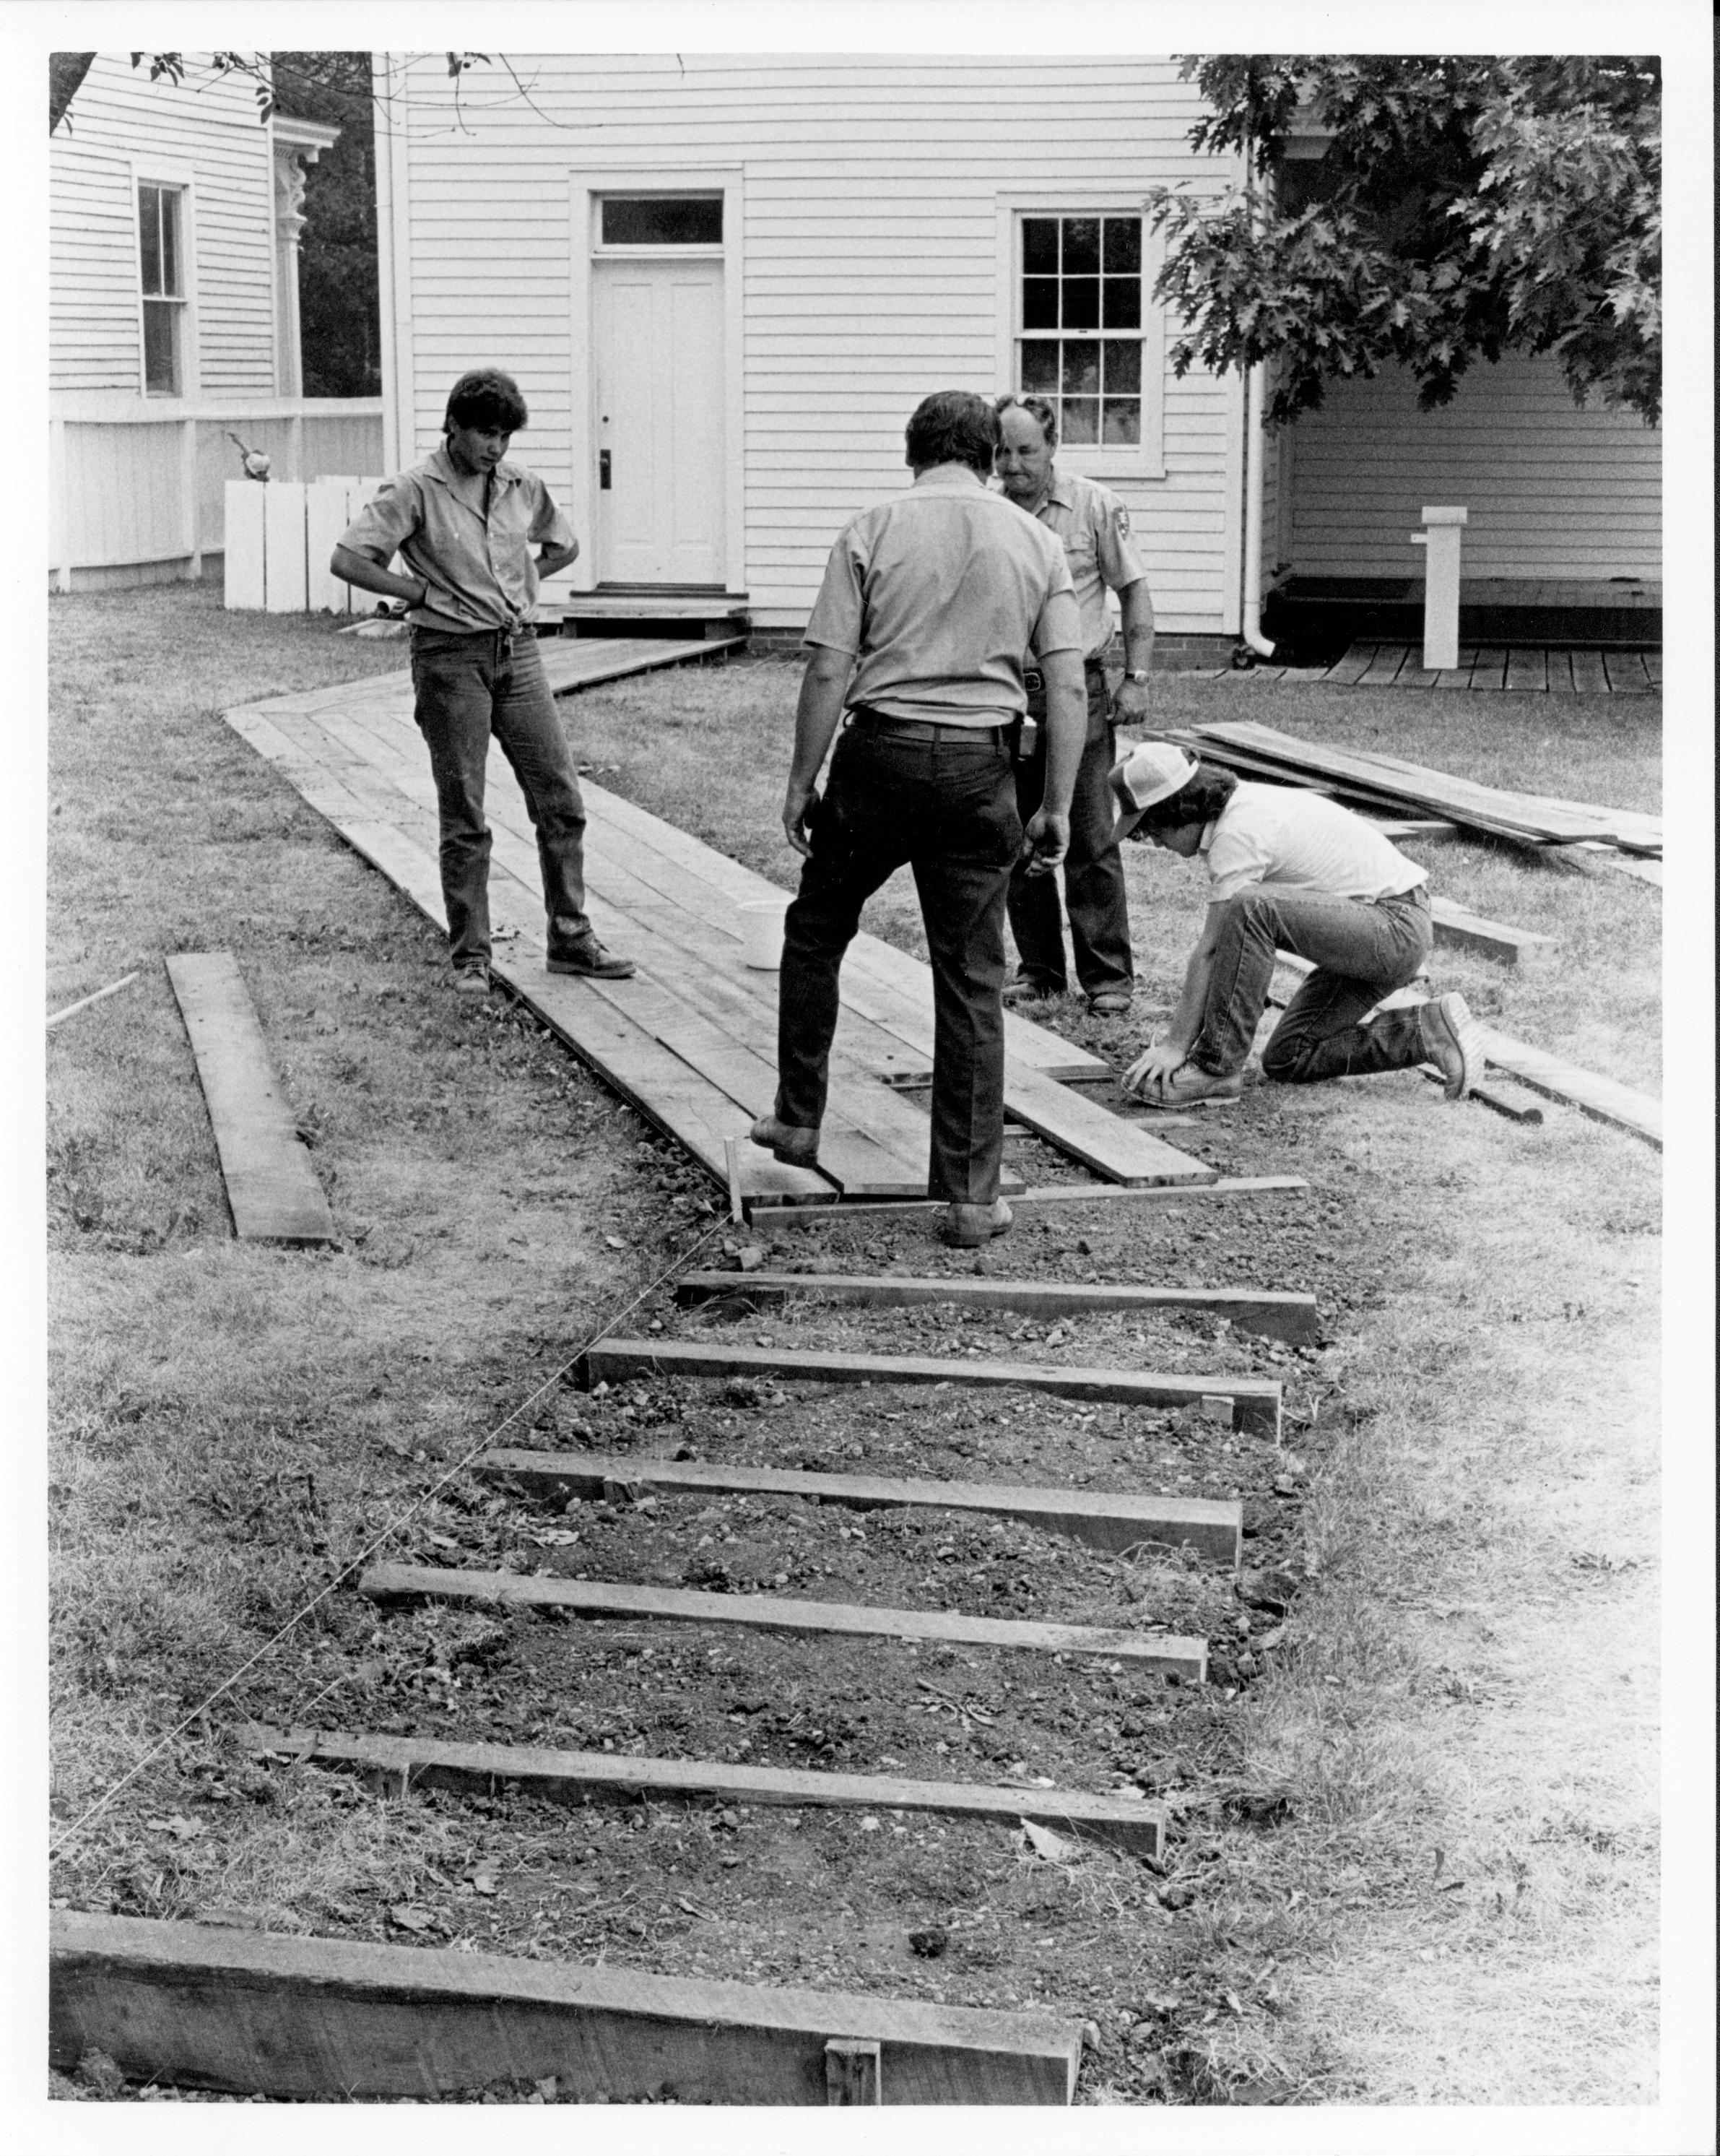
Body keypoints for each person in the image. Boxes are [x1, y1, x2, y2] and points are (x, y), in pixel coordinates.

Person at [753, 390, 1086, 1248]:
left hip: (879, 759)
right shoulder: (1038, 539)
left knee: (818, 927)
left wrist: (802, 779)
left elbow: (830, 669)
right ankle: (972, 1196)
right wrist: (1054, 802)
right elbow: (1071, 684)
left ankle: (796, 1118)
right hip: (982, 767)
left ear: (914, 451)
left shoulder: (870, 527)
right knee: (972, 977)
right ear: (987, 455)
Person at [330, 368, 633, 994]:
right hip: (449, 659)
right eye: (485, 434)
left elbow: (563, 546)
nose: (496, 447)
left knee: (561, 800)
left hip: (517, 654)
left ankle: (571, 938)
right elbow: (348, 558)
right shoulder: (414, 489)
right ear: (454, 426)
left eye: (505, 436)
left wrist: (523, 579)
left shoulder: (522, 485)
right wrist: (416, 590)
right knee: (465, 812)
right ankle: (471, 954)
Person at [1110, 742, 1482, 1106]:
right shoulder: (1241, 807)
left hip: (1393, 928)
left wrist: (1176, 1046)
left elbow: (1211, 949)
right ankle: (1426, 1030)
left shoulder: (1238, 831)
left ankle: (1217, 1070)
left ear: (1177, 810)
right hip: (1381, 930)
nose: (1157, 844)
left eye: (1153, 831)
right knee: (1289, 1056)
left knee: (1252, 908)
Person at [993, 394, 1155, 1018]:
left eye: (1026, 451)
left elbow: (1134, 592)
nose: (1013, 466)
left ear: (1054, 445)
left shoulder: (1094, 506)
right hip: (1005, 692)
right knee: (1014, 831)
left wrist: (1136, 678)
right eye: (1002, 452)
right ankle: (1039, 970)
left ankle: (1108, 975)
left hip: (1076, 689)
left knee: (1087, 834)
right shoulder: (989, 511)